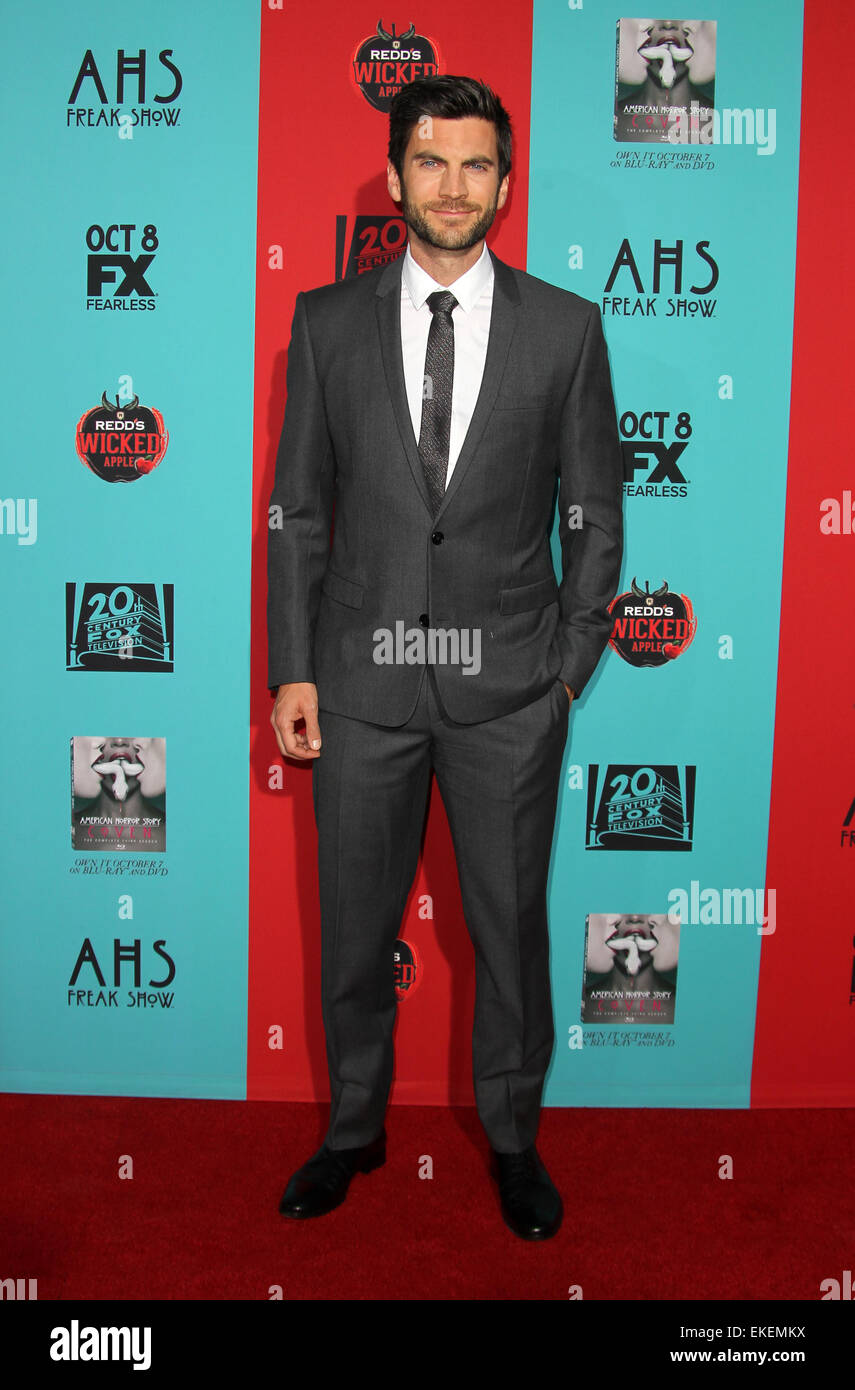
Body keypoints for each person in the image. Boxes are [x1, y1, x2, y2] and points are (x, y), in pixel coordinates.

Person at [267, 74, 623, 1240]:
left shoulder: (567, 329)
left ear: (506, 185)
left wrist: (566, 668)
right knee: (354, 928)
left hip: (510, 694)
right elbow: (299, 512)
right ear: (396, 176)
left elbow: (596, 514)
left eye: (477, 165)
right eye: (431, 163)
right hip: (360, 686)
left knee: (510, 932)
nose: (454, 186)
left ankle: (514, 1140)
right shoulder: (322, 325)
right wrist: (293, 667)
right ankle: (354, 1128)